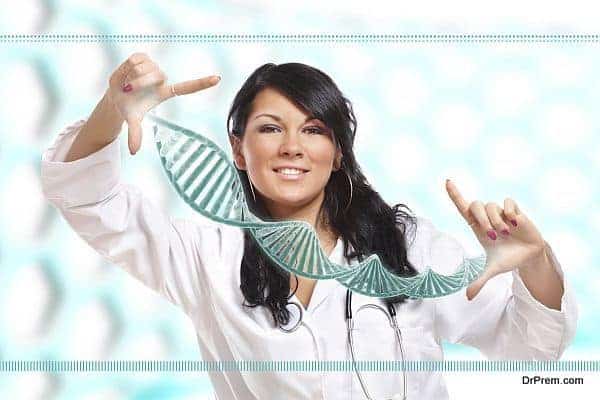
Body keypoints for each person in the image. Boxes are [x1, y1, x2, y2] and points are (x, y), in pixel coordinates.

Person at [41, 52, 578, 399]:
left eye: (314, 130)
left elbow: (533, 349)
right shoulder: (206, 255)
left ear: (338, 152)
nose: (293, 147)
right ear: (239, 149)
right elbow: (88, 196)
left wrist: (535, 263)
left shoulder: (408, 248)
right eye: (270, 128)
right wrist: (113, 107)